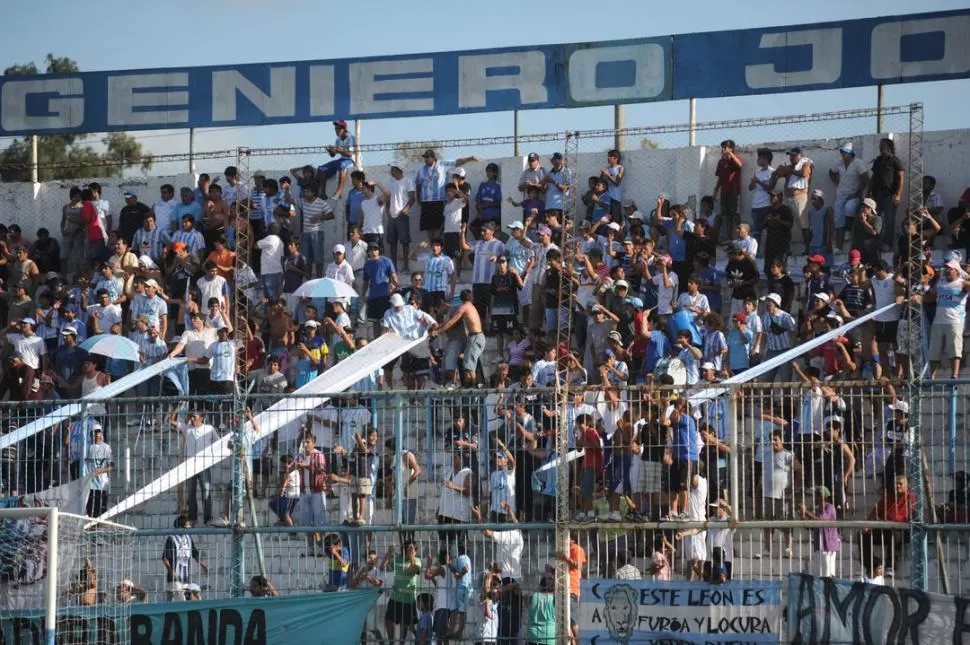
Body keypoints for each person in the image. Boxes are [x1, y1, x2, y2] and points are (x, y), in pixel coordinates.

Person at [172, 410, 220, 526]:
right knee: (191, 493)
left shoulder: (209, 429)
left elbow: (219, 443)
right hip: (190, 466)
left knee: (206, 492)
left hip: (203, 465)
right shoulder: (188, 428)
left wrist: (211, 457)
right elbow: (172, 422)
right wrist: (175, 410)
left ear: (201, 418)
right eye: (191, 417)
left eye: (194, 417)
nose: (192, 419)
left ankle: (207, 519)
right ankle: (193, 518)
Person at [431, 290, 485, 386]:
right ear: (471, 298)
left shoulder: (463, 308)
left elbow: (452, 322)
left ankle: (473, 388)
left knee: (469, 367)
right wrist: (439, 327)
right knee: (467, 366)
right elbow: (450, 322)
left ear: (461, 299)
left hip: (475, 337)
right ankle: (470, 386)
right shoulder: (470, 307)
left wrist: (438, 332)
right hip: (475, 337)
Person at [928, 259, 970, 379]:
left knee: (955, 350)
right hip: (938, 321)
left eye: (950, 268)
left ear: (956, 271)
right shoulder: (940, 283)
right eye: (946, 268)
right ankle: (931, 375)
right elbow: (930, 296)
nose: (947, 270)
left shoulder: (962, 283)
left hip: (955, 321)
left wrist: (966, 274)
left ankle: (955, 375)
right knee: (934, 351)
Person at [162, 514, 208, 601]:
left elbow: (194, 553)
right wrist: (171, 570)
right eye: (188, 525)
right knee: (181, 600)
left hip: (185, 578)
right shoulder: (172, 539)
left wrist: (202, 565)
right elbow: (165, 558)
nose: (190, 527)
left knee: (188, 598)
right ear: (181, 526)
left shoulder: (188, 538)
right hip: (174, 579)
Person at [386, 542, 422, 645]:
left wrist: (411, 557)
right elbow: (384, 566)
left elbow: (413, 569)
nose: (411, 552)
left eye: (413, 550)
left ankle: (401, 643)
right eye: (409, 550)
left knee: (404, 624)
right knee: (388, 621)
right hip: (395, 596)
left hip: (408, 598)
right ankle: (391, 643)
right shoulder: (398, 559)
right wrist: (389, 552)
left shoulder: (417, 561)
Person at [800, 485, 840, 578]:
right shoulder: (818, 509)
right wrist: (802, 516)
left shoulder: (830, 507)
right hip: (819, 546)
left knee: (828, 574)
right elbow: (810, 526)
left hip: (828, 546)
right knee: (819, 574)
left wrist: (806, 511)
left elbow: (821, 521)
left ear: (822, 496)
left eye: (816, 495)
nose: (814, 497)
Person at [85, 425, 114, 517]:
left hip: (102, 485)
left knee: (101, 510)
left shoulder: (106, 448)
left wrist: (101, 471)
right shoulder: (87, 448)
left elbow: (111, 466)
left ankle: (99, 527)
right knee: (90, 510)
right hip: (90, 485)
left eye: (99, 433)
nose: (97, 435)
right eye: (95, 433)